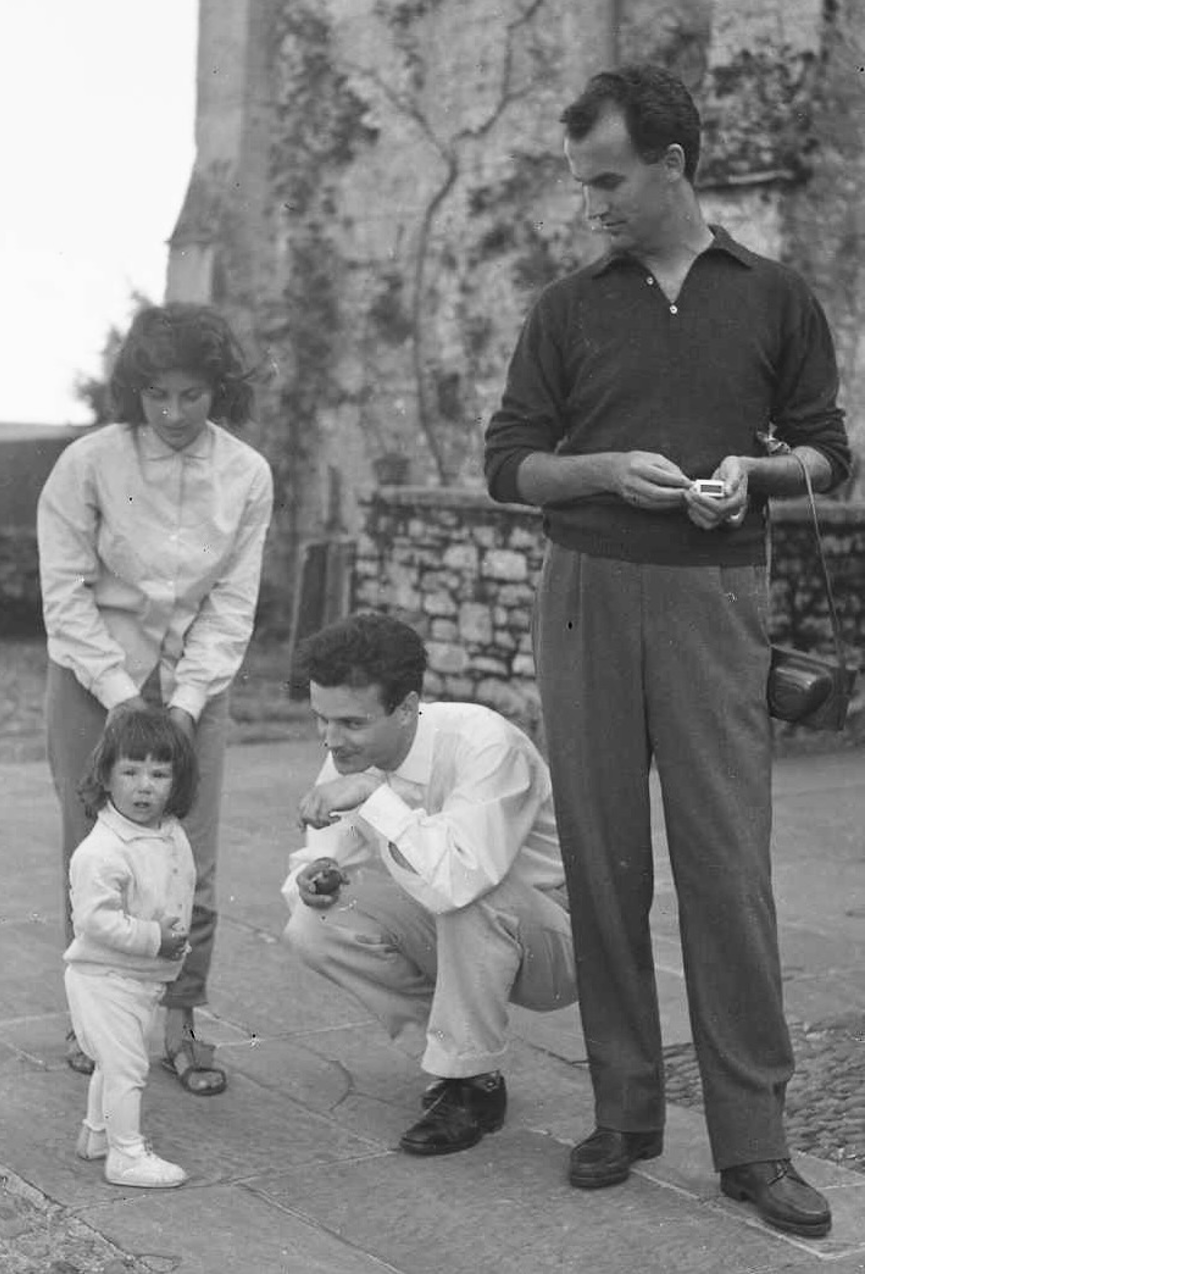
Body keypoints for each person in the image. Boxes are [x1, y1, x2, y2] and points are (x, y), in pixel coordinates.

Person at [481, 65, 853, 1238]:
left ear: (675, 164)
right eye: (584, 180)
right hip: (587, 590)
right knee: (600, 857)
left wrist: (758, 471)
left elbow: (832, 456)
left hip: (717, 596)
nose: (590, 203)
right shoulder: (568, 306)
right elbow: (511, 465)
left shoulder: (777, 297)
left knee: (728, 871)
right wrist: (603, 468)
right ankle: (624, 1108)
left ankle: (754, 1142)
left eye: (609, 180)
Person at [37, 302, 275, 1097]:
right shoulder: (87, 464)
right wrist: (116, 695)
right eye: (157, 395)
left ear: (220, 392)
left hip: (191, 688)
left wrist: (190, 698)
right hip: (90, 677)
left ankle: (179, 1024)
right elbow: (64, 594)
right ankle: (97, 1022)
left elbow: (233, 602)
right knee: (96, 857)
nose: (173, 414)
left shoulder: (246, 475)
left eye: (193, 396)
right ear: (135, 391)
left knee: (189, 864)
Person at [281, 613, 576, 1157]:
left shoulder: (487, 745)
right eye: (321, 718)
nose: (330, 739)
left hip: (557, 944)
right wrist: (312, 878)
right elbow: (323, 853)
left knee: (467, 892)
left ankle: (469, 1081)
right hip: (465, 928)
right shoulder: (353, 753)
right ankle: (461, 1069)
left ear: (408, 707)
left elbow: (459, 881)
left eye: (349, 723)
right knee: (314, 924)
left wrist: (374, 795)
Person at [62, 707, 199, 1188]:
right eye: (131, 771)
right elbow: (95, 922)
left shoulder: (167, 830)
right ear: (106, 775)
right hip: (104, 978)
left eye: (160, 774)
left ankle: (97, 1133)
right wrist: (156, 938)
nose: (145, 786)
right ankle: (125, 1155)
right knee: (127, 1066)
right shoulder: (101, 851)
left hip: (140, 978)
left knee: (116, 1060)